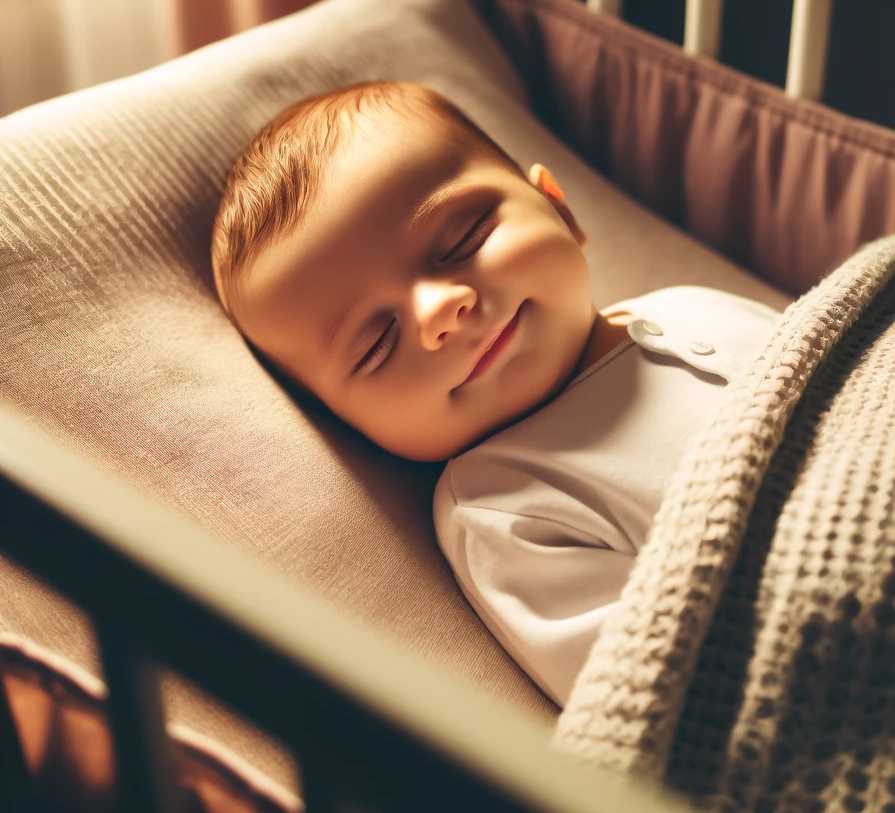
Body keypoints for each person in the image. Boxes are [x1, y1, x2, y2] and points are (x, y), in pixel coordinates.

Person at [211, 80, 783, 705]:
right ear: (347, 424)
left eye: (465, 240)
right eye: (376, 344)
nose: (441, 311)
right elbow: (658, 699)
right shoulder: (499, 504)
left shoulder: (689, 304)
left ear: (559, 210)